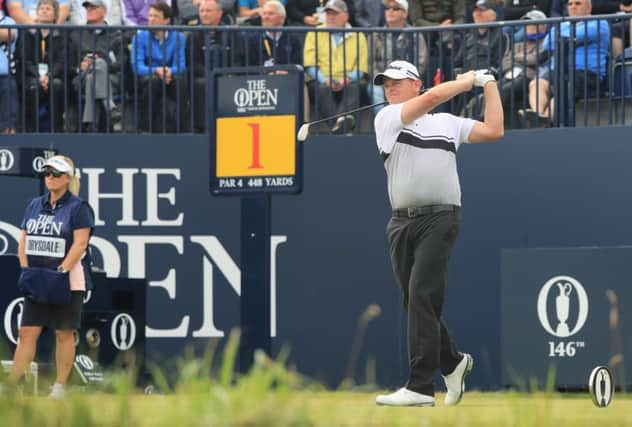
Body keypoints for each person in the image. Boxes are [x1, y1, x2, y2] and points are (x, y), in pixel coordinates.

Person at [372, 60, 503, 407]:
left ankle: (419, 386)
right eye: (385, 84)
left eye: (397, 82)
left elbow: (494, 130)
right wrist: (465, 82)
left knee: (421, 295)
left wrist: (488, 84)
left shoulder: (447, 124)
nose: (390, 88)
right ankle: (454, 362)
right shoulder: (386, 119)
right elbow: (431, 100)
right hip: (400, 222)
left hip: (441, 218)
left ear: (416, 83)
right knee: (416, 301)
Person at [4, 155, 95, 399]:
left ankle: (59, 387)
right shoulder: (34, 204)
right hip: (37, 278)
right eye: (47, 173)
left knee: (63, 333)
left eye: (55, 173)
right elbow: (23, 239)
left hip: (67, 281)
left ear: (67, 178)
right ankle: (13, 386)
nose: (50, 178)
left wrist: (62, 271)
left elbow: (80, 244)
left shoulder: (79, 208)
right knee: (26, 333)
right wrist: (25, 268)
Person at [519, 0, 609, 127]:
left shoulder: (600, 22)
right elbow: (546, 44)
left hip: (586, 73)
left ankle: (546, 118)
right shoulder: (562, 25)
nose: (573, 7)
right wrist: (567, 39)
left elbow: (573, 35)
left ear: (589, 8)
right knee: (537, 83)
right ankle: (538, 115)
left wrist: (562, 38)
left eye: (578, 4)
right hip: (559, 69)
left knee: (564, 86)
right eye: (570, 4)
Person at [303, 0, 368, 133]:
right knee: (319, 88)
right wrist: (324, 79)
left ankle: (338, 127)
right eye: (328, 13)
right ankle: (342, 126)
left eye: (335, 14)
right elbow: (309, 64)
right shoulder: (314, 32)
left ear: (345, 16)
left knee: (354, 87)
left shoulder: (358, 36)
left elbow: (361, 67)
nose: (330, 17)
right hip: (323, 79)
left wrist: (347, 79)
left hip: (349, 80)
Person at [131, 1, 188, 133]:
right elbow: (137, 67)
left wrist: (168, 71)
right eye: (150, 15)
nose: (150, 19)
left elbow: (181, 65)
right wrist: (157, 71)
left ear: (166, 20)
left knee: (180, 81)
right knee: (154, 81)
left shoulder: (178, 37)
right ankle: (145, 128)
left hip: (169, 75)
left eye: (155, 16)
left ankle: (183, 128)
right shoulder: (139, 37)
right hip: (147, 76)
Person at [186, 0, 243, 132]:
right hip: (204, 77)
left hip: (228, 75)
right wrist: (212, 75)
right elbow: (193, 63)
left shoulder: (230, 33)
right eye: (202, 11)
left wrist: (229, 74)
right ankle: (204, 128)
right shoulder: (193, 35)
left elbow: (237, 58)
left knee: (232, 83)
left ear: (219, 14)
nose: (204, 14)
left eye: (208, 11)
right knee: (202, 84)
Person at [70, 0, 126, 132]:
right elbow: (69, 65)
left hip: (110, 78)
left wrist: (103, 62)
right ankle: (110, 107)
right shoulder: (76, 35)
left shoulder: (116, 36)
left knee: (95, 73)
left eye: (93, 8)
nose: (89, 10)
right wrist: (80, 67)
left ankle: (91, 123)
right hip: (81, 78)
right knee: (92, 73)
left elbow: (121, 63)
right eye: (87, 8)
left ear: (104, 11)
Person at [15, 0, 68, 132]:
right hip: (31, 76)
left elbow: (61, 62)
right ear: (37, 13)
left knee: (56, 85)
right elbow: (24, 60)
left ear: (55, 15)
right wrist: (39, 77)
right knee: (33, 87)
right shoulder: (27, 33)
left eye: (48, 8)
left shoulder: (61, 35)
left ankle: (57, 130)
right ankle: (31, 131)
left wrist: (49, 76)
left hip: (53, 76)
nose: (44, 10)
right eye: (41, 8)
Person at [369, 0, 427, 114]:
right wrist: (381, 80)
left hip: (407, 79)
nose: (390, 11)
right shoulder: (376, 34)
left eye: (395, 8)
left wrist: (407, 80)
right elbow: (371, 62)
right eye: (387, 8)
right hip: (383, 80)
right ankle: (385, 125)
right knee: (376, 92)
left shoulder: (415, 34)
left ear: (405, 13)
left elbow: (421, 62)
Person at [0, 10, 18, 134]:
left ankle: (8, 136)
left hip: (4, 75)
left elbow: (8, 34)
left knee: (9, 87)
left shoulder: (8, 21)